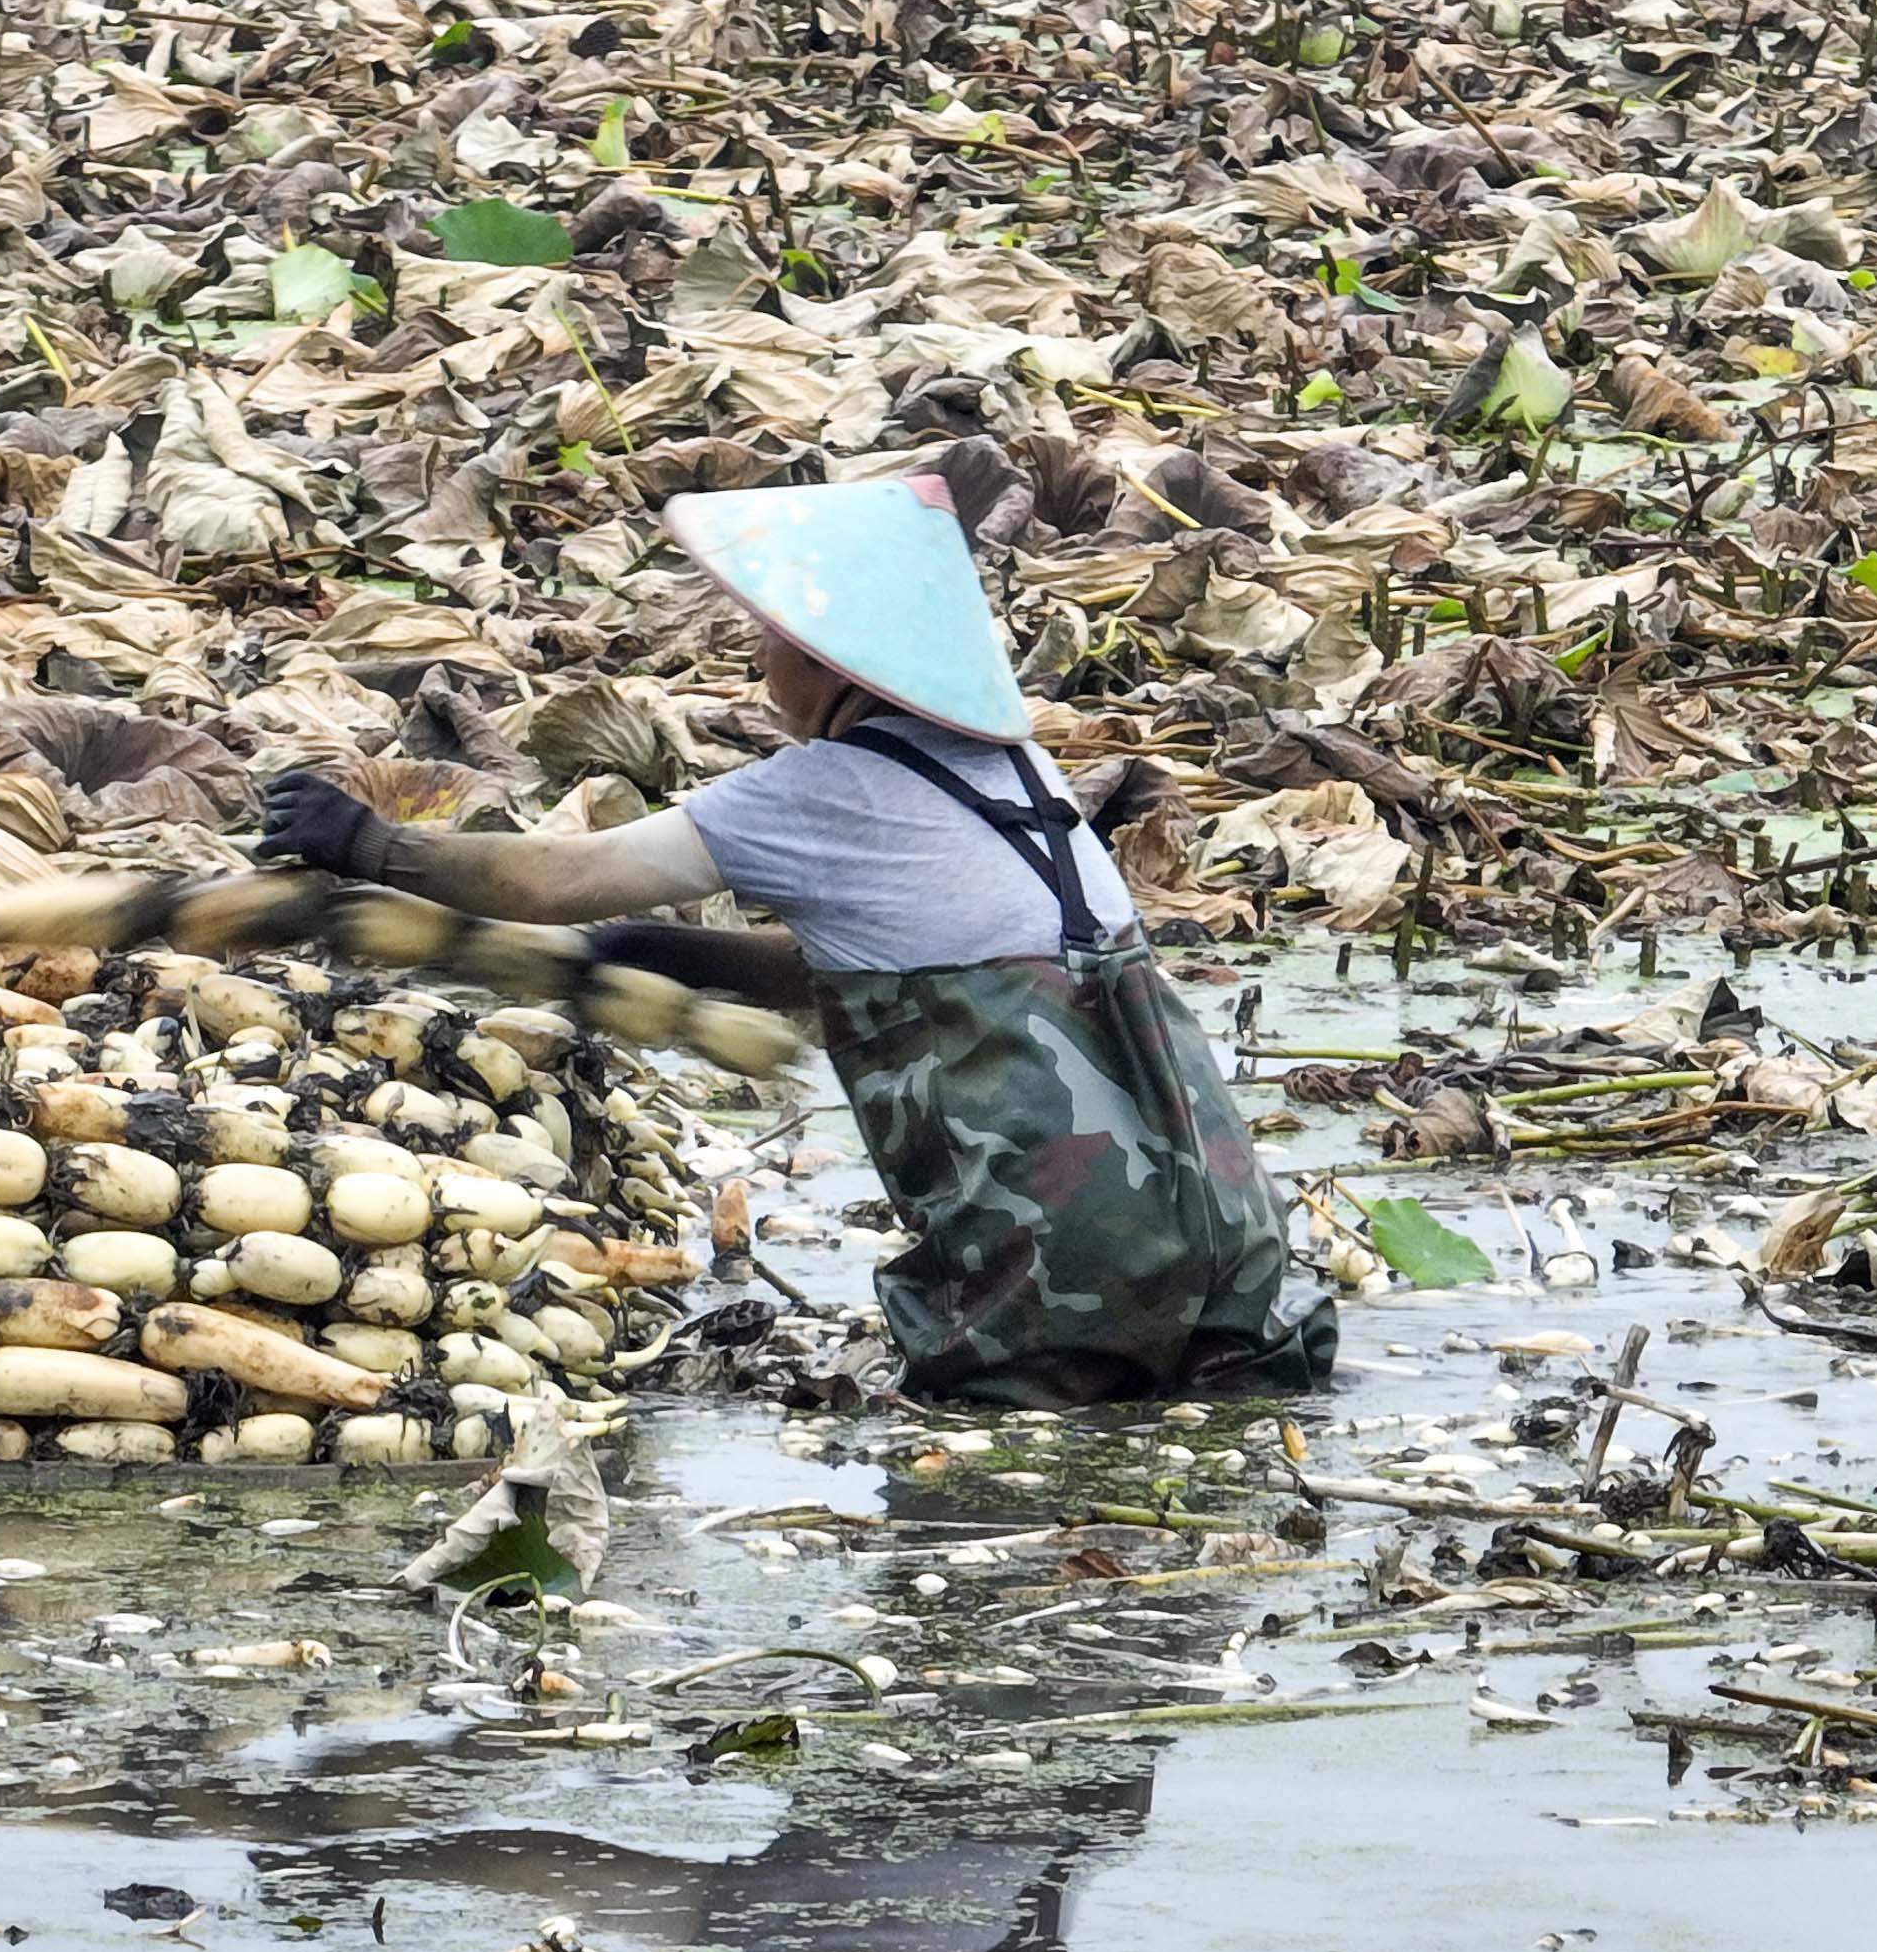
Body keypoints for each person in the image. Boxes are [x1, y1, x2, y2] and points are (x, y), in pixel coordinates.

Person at [259, 474, 1335, 1409]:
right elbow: (937, 981)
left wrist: (368, 843)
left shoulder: (819, 788)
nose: (762, 657)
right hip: (1226, 1270)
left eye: (773, 639)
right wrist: (684, 957)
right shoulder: (1025, 780)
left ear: (835, 665)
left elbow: (558, 876)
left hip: (1057, 1289)